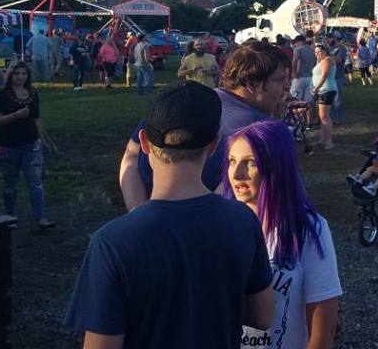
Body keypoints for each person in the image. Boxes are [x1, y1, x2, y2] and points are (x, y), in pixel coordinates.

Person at [66, 83, 275, 346]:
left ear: (144, 142)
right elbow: (263, 316)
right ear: (214, 145)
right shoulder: (243, 221)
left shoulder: (112, 243)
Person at [120, 41, 294, 211]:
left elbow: (132, 155)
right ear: (252, 84)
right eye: (280, 80)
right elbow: (234, 193)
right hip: (205, 224)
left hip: (151, 214)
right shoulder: (261, 132)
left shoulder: (183, 101)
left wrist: (138, 212)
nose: (287, 86)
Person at [225, 121, 341, 349]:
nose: (237, 174)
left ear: (276, 167)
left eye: (250, 163)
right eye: (232, 161)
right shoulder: (220, 224)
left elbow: (323, 331)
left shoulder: (307, 230)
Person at [0, 62, 56, 230]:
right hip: (7, 146)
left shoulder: (32, 95)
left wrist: (42, 139)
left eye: (23, 74)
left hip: (31, 145)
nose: (20, 77)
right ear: (10, 75)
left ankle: (41, 218)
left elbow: (36, 119)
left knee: (35, 183)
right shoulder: (1, 95)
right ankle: (10, 217)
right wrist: (15, 115)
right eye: (17, 73)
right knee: (10, 185)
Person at [312, 43, 337, 150]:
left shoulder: (327, 60)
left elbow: (325, 75)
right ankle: (323, 138)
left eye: (320, 52)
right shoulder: (321, 61)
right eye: (316, 52)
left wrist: (317, 88)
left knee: (325, 117)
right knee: (322, 116)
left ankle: (329, 141)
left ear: (325, 51)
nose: (318, 54)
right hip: (321, 91)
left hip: (326, 90)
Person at [328, 35, 348, 123]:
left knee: (337, 99)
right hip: (327, 77)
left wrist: (329, 54)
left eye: (330, 37)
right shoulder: (328, 47)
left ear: (335, 38)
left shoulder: (342, 48)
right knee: (327, 99)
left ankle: (338, 118)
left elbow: (338, 60)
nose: (328, 39)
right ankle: (328, 117)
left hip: (337, 76)